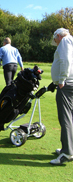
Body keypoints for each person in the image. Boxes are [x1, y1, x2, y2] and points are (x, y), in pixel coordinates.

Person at [50, 28, 73, 165]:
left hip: (67, 85)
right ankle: (69, 148)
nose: (56, 43)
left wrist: (62, 79)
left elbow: (65, 60)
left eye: (55, 40)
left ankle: (66, 153)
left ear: (58, 36)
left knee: (65, 118)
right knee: (70, 118)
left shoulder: (65, 41)